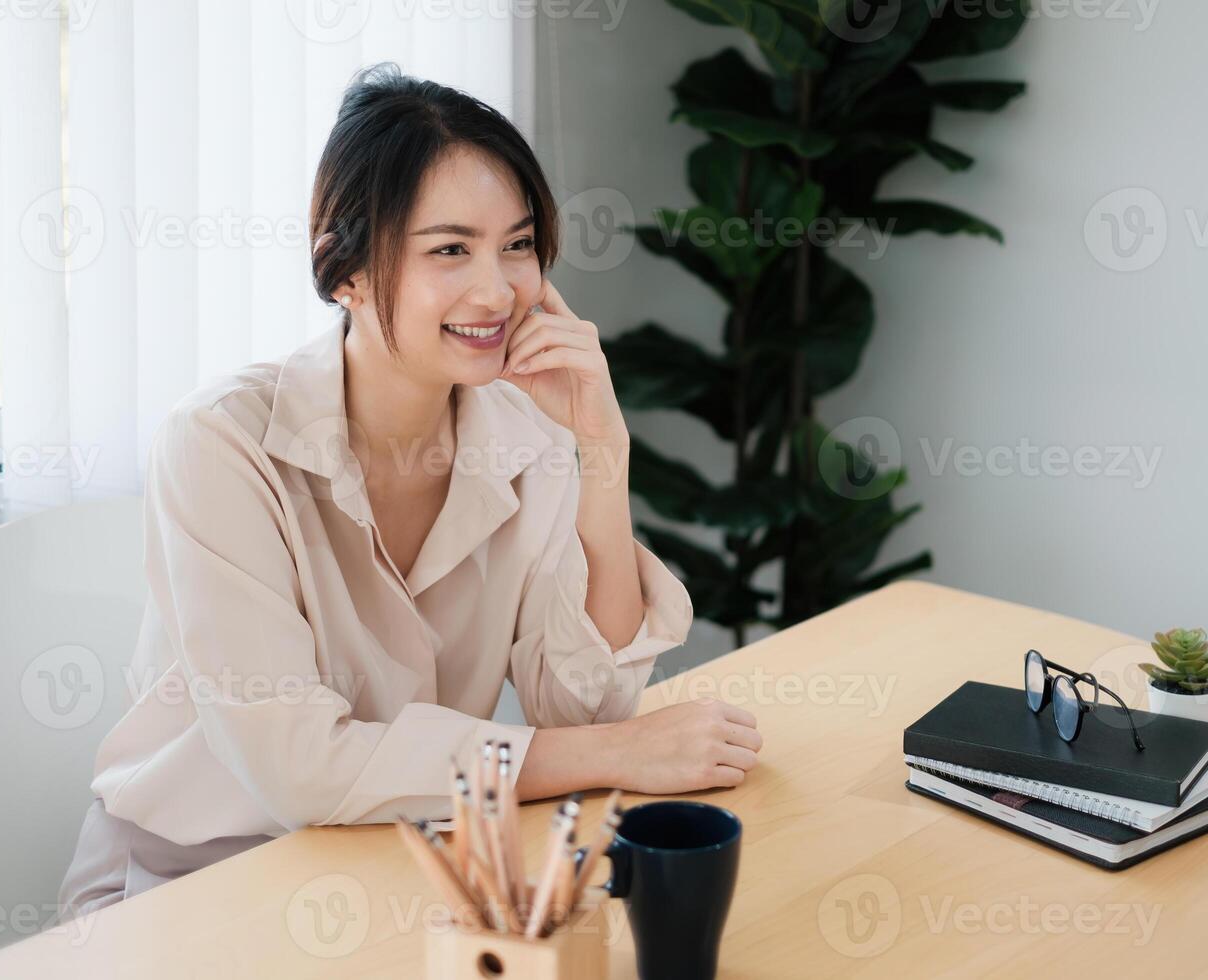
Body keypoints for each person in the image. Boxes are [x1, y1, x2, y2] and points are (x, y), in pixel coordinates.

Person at [54, 63, 763, 919]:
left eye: (519, 244)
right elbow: (300, 766)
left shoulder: (526, 430)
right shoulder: (219, 444)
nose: (498, 290)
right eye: (450, 249)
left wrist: (600, 449)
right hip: (186, 887)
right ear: (343, 269)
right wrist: (617, 754)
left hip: (392, 861)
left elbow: (584, 704)